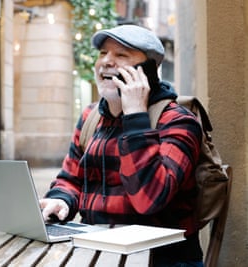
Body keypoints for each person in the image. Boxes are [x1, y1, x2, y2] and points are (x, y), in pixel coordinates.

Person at [39, 25, 204, 267]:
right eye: (103, 53)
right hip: (97, 249)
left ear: (146, 71)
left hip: (163, 258)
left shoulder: (179, 122)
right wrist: (61, 199)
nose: (106, 61)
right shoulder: (90, 117)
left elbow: (149, 198)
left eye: (121, 55)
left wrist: (135, 116)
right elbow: (71, 179)